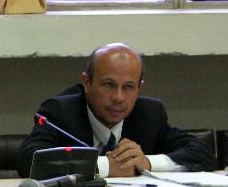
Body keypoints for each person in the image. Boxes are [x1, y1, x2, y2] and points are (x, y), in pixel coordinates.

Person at [18, 43, 216, 178]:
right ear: (87, 83)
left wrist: (146, 163)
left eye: (128, 87)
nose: (119, 97)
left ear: (139, 88)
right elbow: (29, 160)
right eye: (109, 85)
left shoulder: (149, 115)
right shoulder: (61, 112)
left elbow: (203, 154)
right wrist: (105, 166)